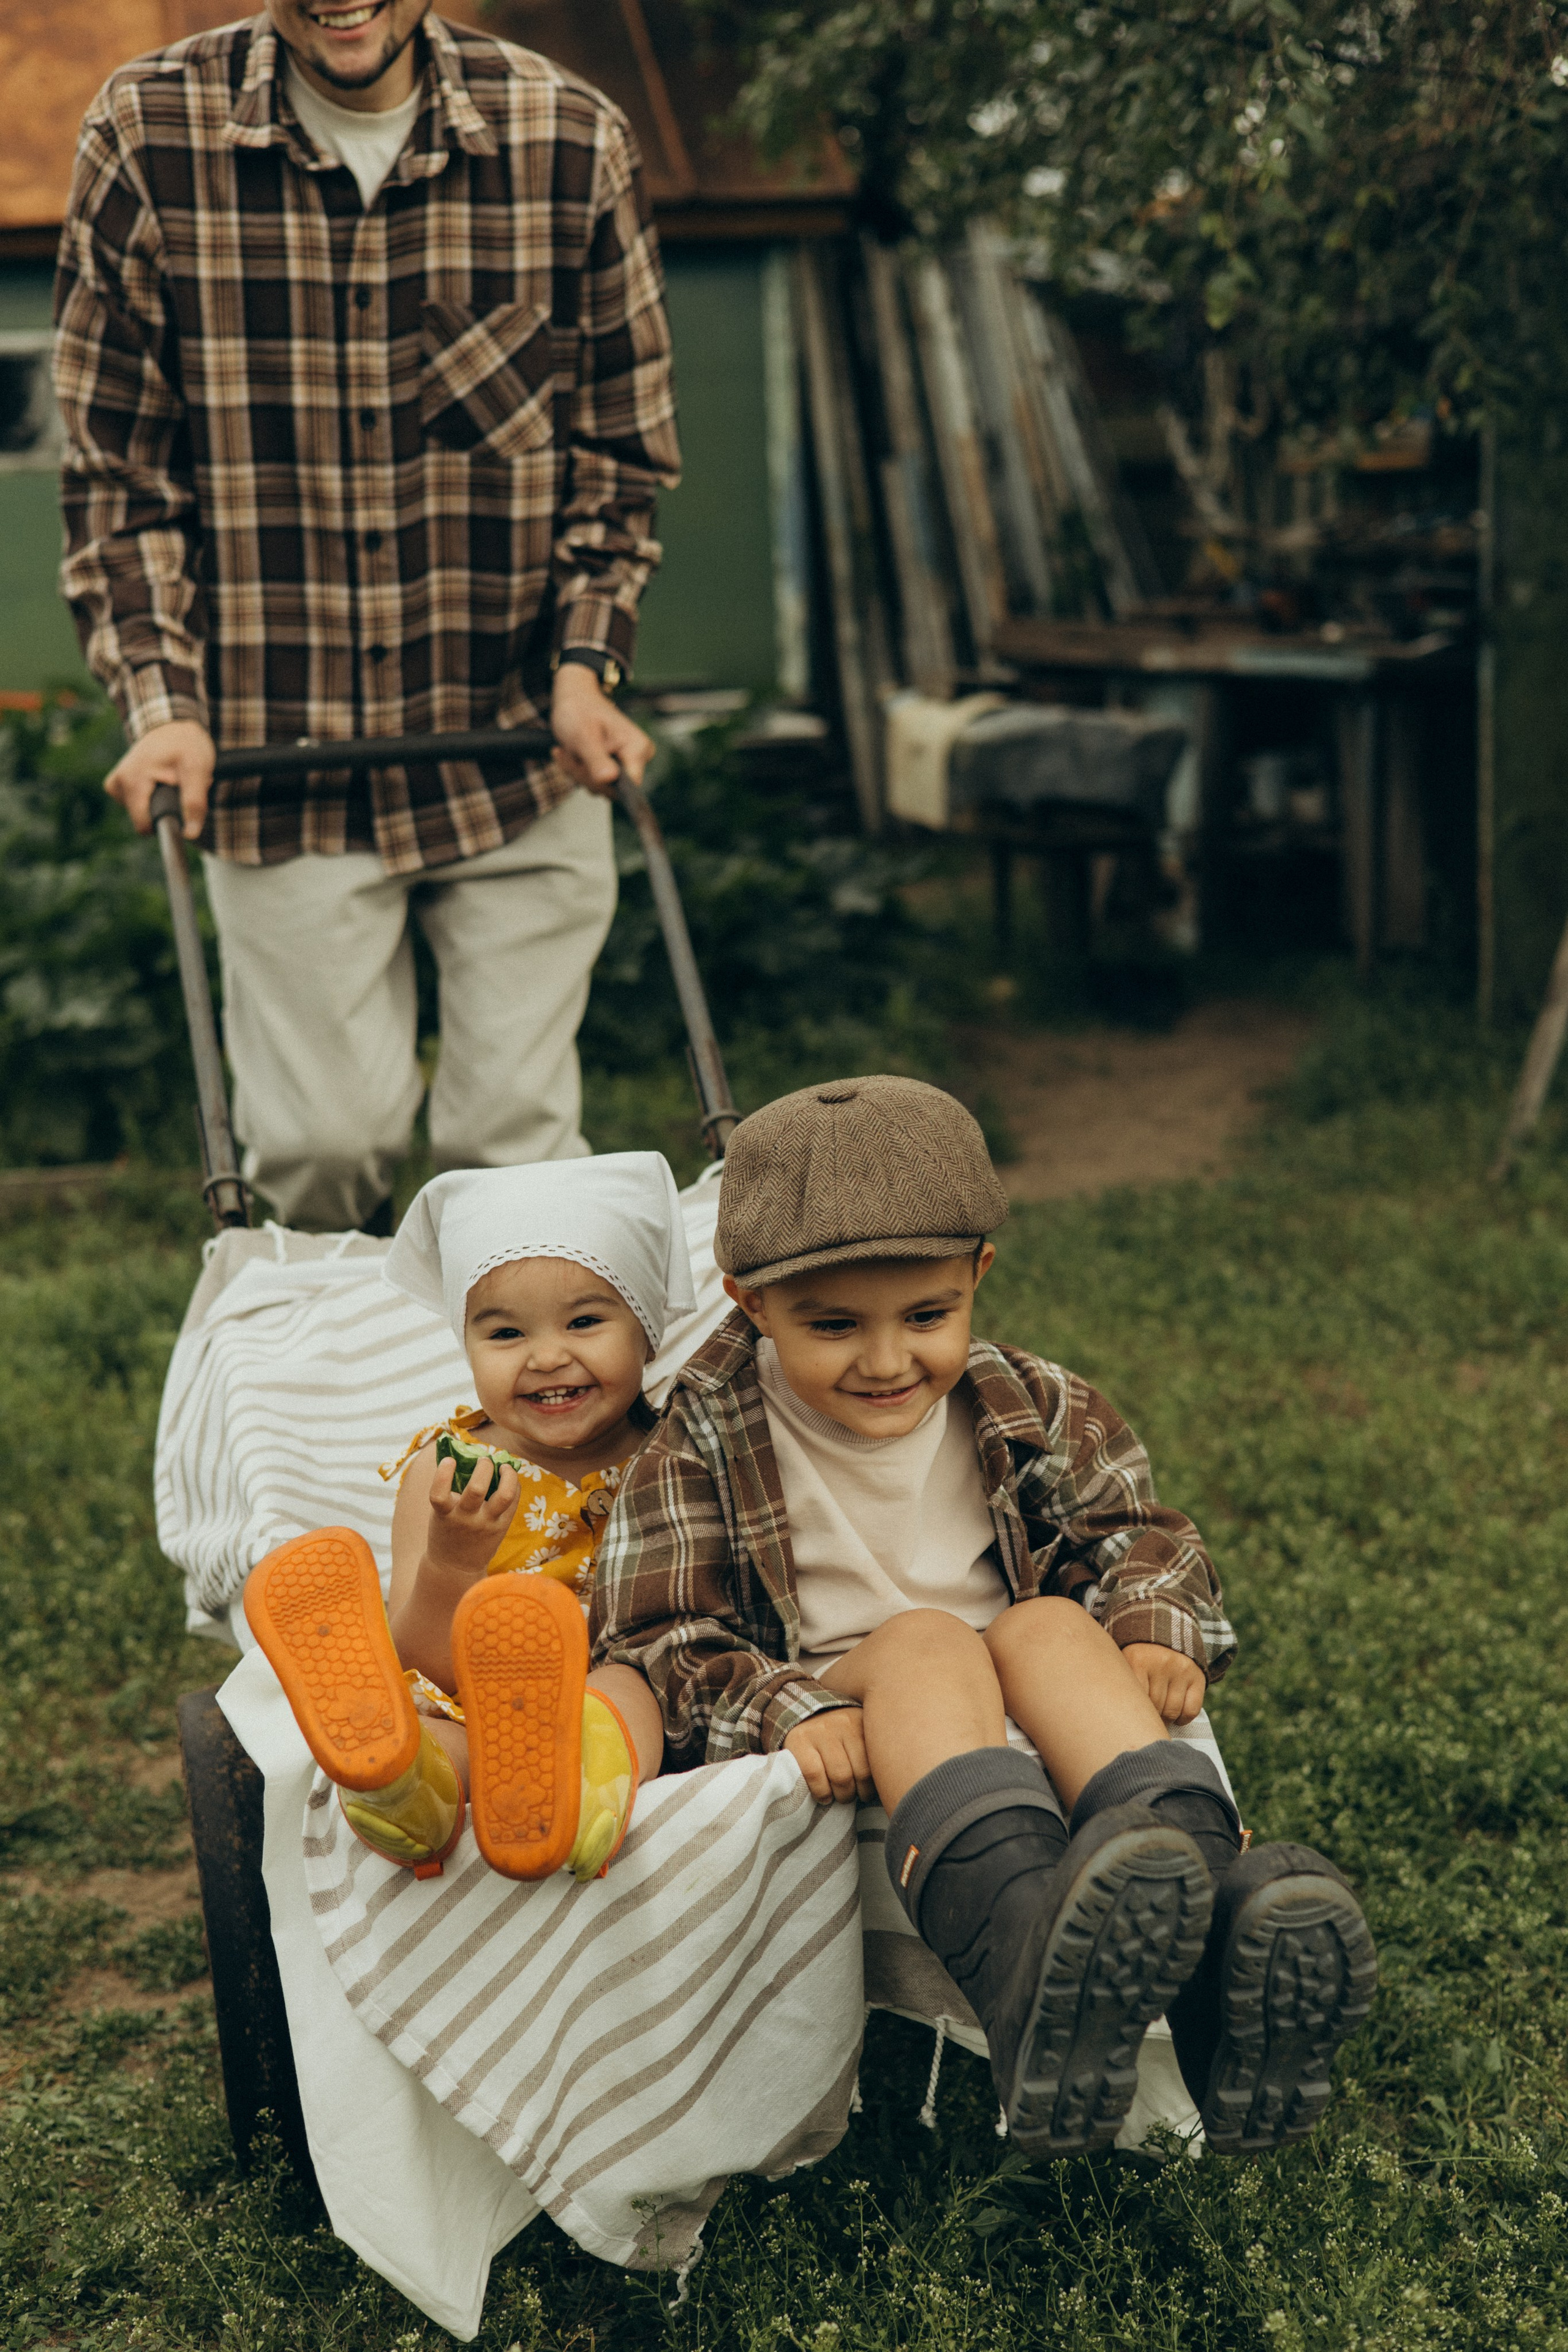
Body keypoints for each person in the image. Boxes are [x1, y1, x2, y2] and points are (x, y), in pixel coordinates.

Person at [590, 1077, 1377, 2157]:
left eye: (928, 1316)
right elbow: (657, 1633)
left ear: (978, 1277)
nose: (885, 1360)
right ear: (749, 1302)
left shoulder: (1027, 1398)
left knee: (1051, 1627)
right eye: (833, 1326)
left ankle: (1212, 1944)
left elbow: (1138, 1528)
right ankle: (1025, 1971)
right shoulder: (701, 1437)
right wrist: (784, 1709)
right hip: (851, 1676)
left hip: (1006, 1660)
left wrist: (1151, 1622)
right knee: (929, 1639)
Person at [53, 3, 679, 1232]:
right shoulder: (147, 134)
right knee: (319, 1153)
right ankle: (321, 1416)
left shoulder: (566, 139)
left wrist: (583, 668)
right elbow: (120, 484)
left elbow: (616, 460)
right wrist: (164, 709)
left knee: (516, 1164)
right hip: (282, 760)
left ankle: (501, 1427)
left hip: (514, 747)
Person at [242, 1152, 683, 1880]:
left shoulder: (672, 1457)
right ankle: (408, 1793)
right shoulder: (450, 1473)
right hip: (472, 1700)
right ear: (466, 1343)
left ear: (646, 1329)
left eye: (583, 1321)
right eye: (505, 1335)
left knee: (627, 1691)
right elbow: (421, 1655)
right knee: (434, 1731)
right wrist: (451, 1562)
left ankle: (576, 1786)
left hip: (610, 1677)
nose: (546, 1357)